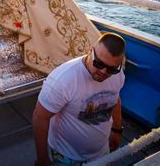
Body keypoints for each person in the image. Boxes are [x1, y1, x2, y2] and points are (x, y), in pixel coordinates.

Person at [32, 33, 126, 165]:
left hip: (102, 151)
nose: (104, 72)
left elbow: (115, 99)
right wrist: (42, 159)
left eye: (112, 69)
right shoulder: (63, 79)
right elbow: (40, 117)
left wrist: (117, 129)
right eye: (99, 63)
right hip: (66, 157)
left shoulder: (118, 75)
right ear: (90, 51)